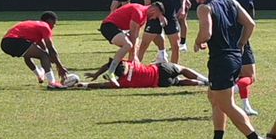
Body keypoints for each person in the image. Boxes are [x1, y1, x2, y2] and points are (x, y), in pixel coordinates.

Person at [192, 0, 264, 139]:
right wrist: (240, 44)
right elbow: (250, 24)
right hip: (234, 58)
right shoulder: (231, 2)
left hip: (220, 60)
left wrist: (197, 41)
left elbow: (206, 34)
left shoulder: (204, 8)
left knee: (226, 103)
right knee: (214, 98)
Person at [127, 0, 187, 64]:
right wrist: (160, 16)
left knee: (175, 46)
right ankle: (134, 71)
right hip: (154, 18)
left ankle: (173, 71)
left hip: (171, 17)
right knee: (144, 45)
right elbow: (148, 6)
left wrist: (183, 7)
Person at [220, 0, 259, 117]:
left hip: (224, 42)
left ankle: (246, 105)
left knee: (237, 75)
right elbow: (251, 19)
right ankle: (234, 89)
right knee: (250, 76)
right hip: (241, 40)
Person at [97, 1, 165, 82]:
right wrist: (134, 56)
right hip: (108, 26)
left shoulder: (143, 16)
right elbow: (133, 35)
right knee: (128, 45)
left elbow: (136, 37)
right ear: (153, 10)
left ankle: (130, 71)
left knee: (130, 46)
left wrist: (134, 57)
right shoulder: (139, 12)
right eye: (156, 16)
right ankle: (110, 72)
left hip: (116, 28)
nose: (154, 19)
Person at [0, 12, 69, 87]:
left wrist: (50, 58)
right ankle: (52, 83)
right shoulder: (45, 26)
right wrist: (60, 67)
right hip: (15, 41)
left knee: (28, 55)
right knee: (44, 56)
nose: (54, 26)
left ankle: (40, 75)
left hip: (5, 44)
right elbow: (51, 48)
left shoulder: (35, 26)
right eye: (54, 23)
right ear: (49, 20)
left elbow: (43, 47)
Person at [79, 58, 208, 89]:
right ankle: (205, 80)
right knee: (183, 69)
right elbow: (110, 64)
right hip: (161, 69)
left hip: (160, 83)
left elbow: (104, 85)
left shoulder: (123, 82)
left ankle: (201, 84)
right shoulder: (129, 63)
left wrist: (86, 84)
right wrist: (96, 73)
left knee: (179, 82)